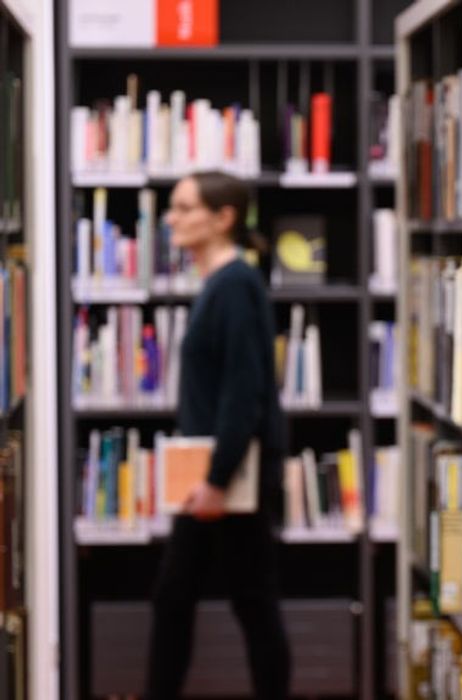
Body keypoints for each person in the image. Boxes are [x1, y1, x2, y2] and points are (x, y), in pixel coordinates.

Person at [146, 171, 291, 699]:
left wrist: (215, 479)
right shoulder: (223, 282)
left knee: (246, 602)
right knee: (193, 598)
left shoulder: (235, 285)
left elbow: (244, 392)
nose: (171, 218)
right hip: (216, 474)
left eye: (184, 208)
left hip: (228, 478)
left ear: (223, 218)